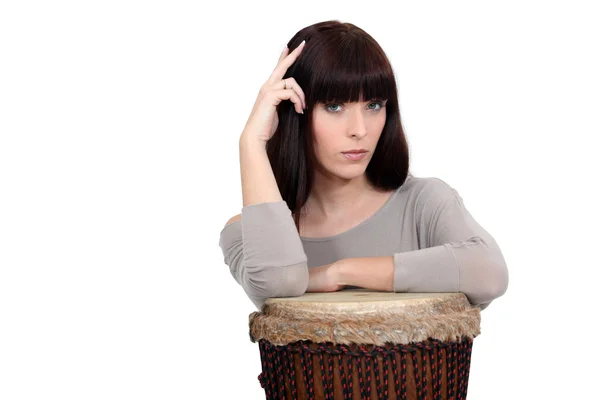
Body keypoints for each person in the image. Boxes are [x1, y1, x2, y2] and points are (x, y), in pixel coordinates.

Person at [218, 20, 509, 311]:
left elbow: (489, 271)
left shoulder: (423, 203)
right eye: (334, 106)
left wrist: (340, 272)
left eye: (373, 105)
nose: (359, 129)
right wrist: (251, 142)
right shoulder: (248, 233)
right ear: (295, 111)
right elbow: (278, 284)